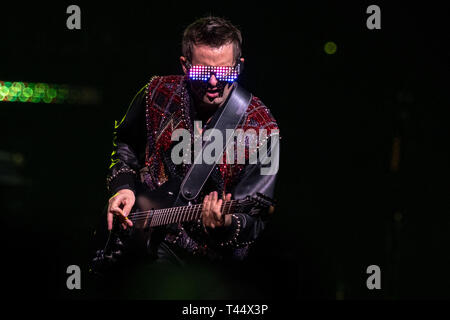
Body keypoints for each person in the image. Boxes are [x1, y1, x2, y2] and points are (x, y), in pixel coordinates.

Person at [105, 16, 280, 266]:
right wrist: (122, 187)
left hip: (204, 266)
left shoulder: (262, 127)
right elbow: (125, 144)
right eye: (201, 72)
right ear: (185, 66)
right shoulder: (157, 92)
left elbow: (257, 218)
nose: (213, 83)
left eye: (224, 72)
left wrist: (226, 225)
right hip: (138, 242)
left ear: (239, 66)